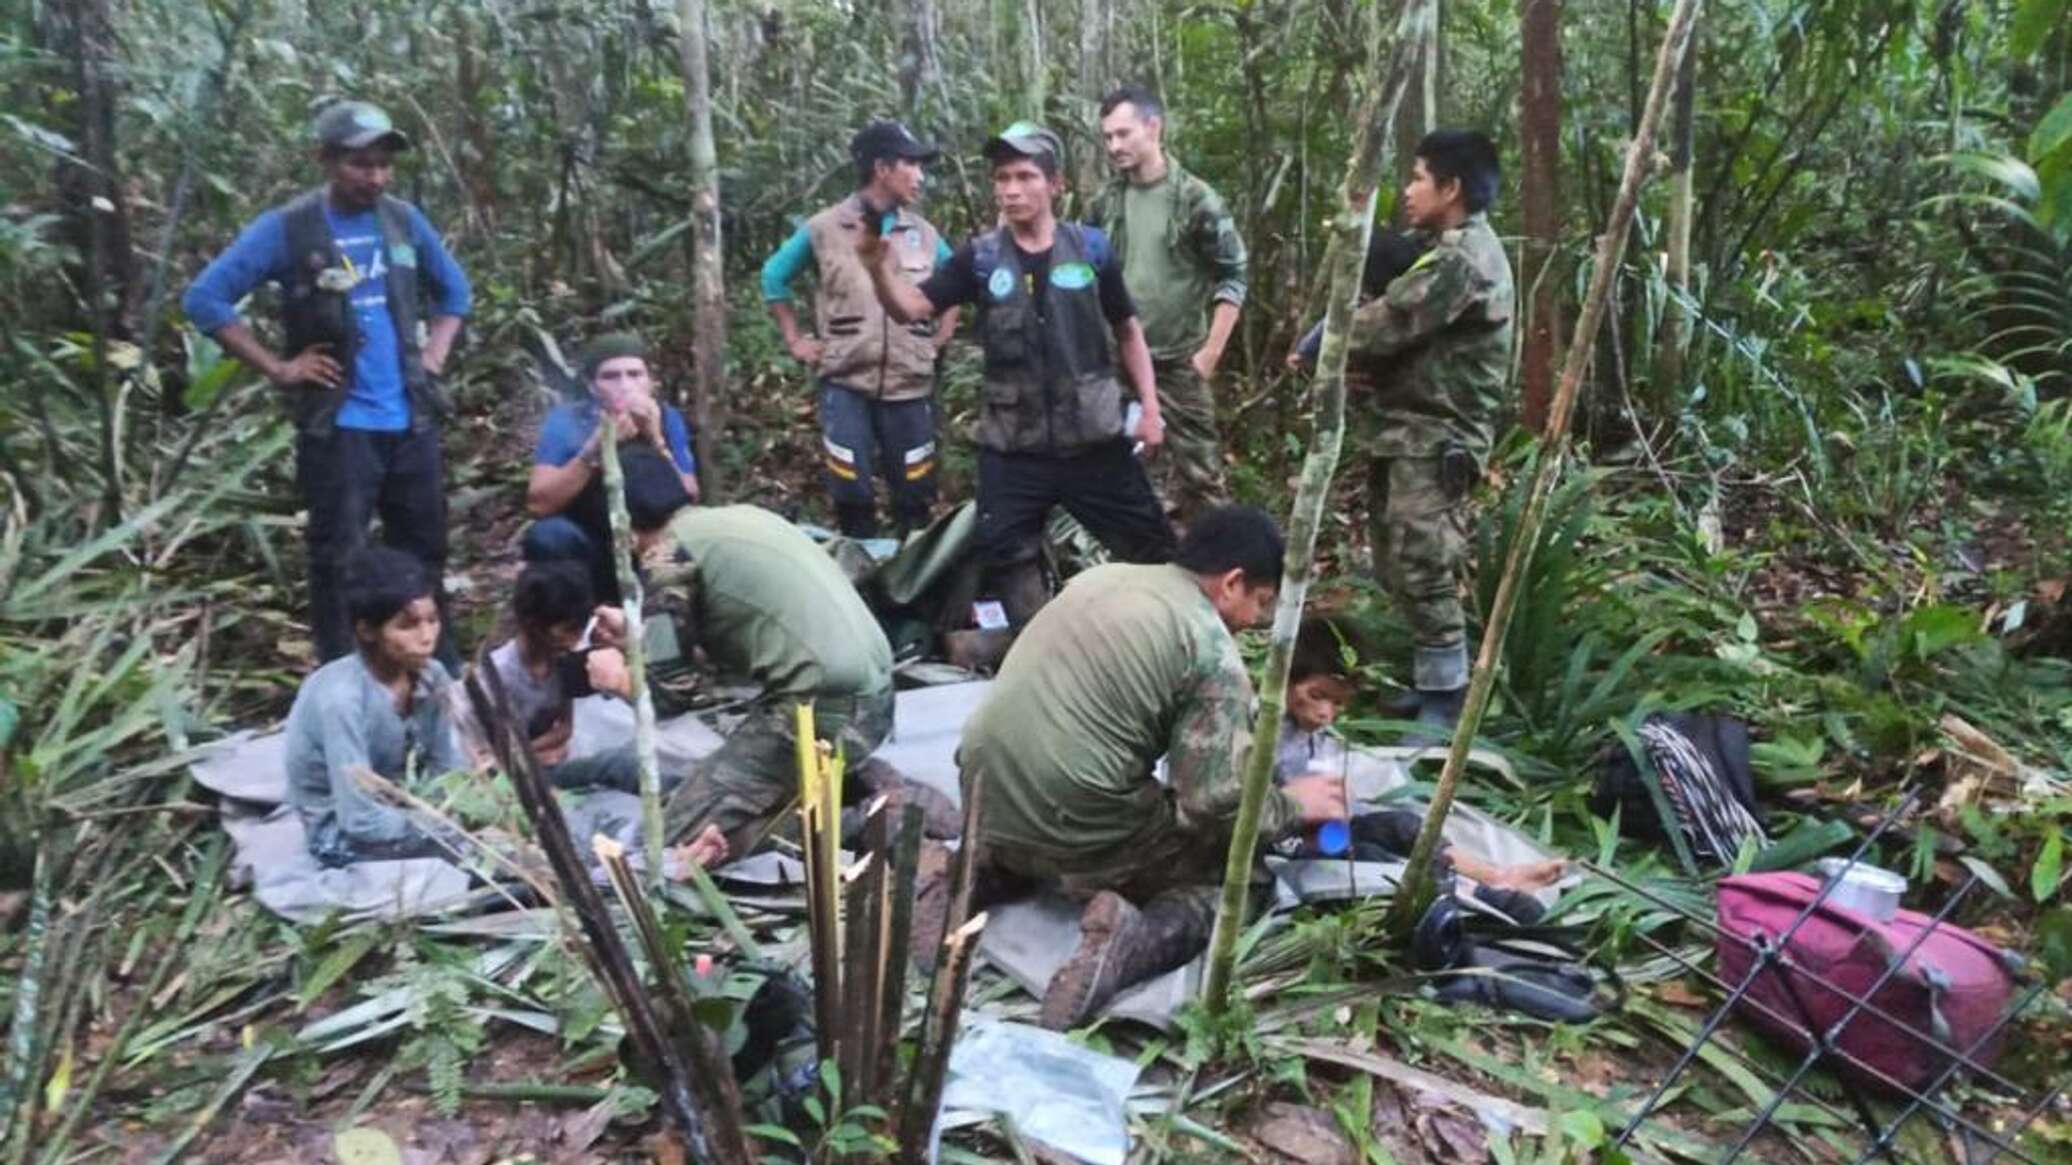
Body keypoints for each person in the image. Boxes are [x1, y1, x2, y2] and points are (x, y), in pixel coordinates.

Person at [952, 506, 1348, 1029]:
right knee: (1240, 882)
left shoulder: (1101, 578)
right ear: (1232, 582)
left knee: (1082, 797)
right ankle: (1130, 944)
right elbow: (1212, 804)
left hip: (980, 793)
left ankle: (977, 872)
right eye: (1260, 602)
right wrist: (1295, 803)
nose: (1252, 621)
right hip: (1073, 818)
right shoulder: (1210, 650)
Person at [183, 100, 472, 666]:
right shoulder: (289, 229)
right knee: (339, 557)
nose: (376, 177)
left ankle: (441, 671)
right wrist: (279, 367)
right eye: (360, 165)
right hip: (340, 427)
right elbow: (205, 299)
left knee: (425, 550)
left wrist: (433, 355)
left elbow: (455, 293)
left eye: (384, 165)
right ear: (325, 159)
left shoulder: (402, 221)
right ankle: (347, 676)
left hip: (410, 418)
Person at [856, 122, 1175, 625]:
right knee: (1005, 549)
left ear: (1056, 185)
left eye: (1025, 176)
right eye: (1002, 178)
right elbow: (911, 308)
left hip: (1094, 437)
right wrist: (877, 267)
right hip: (1013, 445)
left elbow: (1128, 330)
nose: (1010, 189)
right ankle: (1045, 647)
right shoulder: (979, 259)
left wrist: (1150, 408)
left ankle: (1159, 642)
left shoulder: (1091, 249)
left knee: (1151, 548)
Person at [581, 455, 898, 856]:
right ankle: (841, 797)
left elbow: (669, 696)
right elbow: (739, 634)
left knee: (664, 844)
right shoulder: (740, 518)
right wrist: (641, 635)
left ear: (621, 529)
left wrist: (617, 678)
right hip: (875, 698)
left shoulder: (666, 559)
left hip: (821, 712)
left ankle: (858, 824)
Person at [1343, 130, 1514, 736]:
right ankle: (1430, 681)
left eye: (1418, 178)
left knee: (1424, 561)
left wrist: (1325, 340)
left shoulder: (1463, 261)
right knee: (1394, 560)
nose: (1407, 190)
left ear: (1452, 188)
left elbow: (1386, 324)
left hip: (1438, 437)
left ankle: (1448, 699)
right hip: (1406, 429)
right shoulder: (1439, 247)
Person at [1272, 617, 1565, 912]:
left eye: (1338, 704)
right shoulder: (1259, 730)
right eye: (1317, 696)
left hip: (1322, 830)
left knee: (1403, 826)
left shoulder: (1311, 735)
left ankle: (1493, 876)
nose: (1325, 713)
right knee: (1364, 856)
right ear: (1283, 678)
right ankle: (1468, 894)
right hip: (1286, 842)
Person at [761, 121, 959, 538]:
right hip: (846, 381)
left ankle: (913, 582)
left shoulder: (923, 234)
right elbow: (774, 278)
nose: (920, 176)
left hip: (909, 384)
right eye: (912, 165)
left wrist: (941, 336)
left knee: (916, 490)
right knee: (851, 489)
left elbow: (955, 282)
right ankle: (858, 576)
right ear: (882, 168)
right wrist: (796, 340)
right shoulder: (824, 228)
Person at [1089, 86, 1249, 525]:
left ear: (1153, 127)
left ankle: (1219, 576)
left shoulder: (1197, 200)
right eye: (1107, 138)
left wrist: (1209, 354)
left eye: (1123, 134)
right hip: (1117, 364)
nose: (1115, 146)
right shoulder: (1105, 202)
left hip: (1179, 362)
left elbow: (1233, 273)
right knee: (1123, 475)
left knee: (1201, 478)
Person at [282, 545, 464, 866]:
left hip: (410, 807)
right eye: (407, 626)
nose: (427, 637)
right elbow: (359, 818)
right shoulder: (342, 700)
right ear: (366, 630)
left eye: (432, 621)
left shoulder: (433, 676)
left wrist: (455, 808)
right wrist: (440, 827)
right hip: (341, 831)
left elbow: (447, 768)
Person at [523, 333, 700, 602]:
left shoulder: (666, 417)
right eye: (611, 376)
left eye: (634, 374)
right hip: (592, 539)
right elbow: (539, 504)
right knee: (548, 537)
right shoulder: (568, 421)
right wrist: (594, 451)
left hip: (653, 540)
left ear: (650, 382)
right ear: (592, 386)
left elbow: (690, 495)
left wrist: (656, 439)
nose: (625, 385)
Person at [480, 561, 640, 793]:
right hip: (514, 782)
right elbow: (489, 758)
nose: (576, 641)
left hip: (547, 763)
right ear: (532, 624)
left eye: (579, 630)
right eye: (568, 630)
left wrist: (529, 753)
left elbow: (565, 729)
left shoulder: (563, 661)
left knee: (627, 762)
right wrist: (530, 757)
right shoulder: (498, 676)